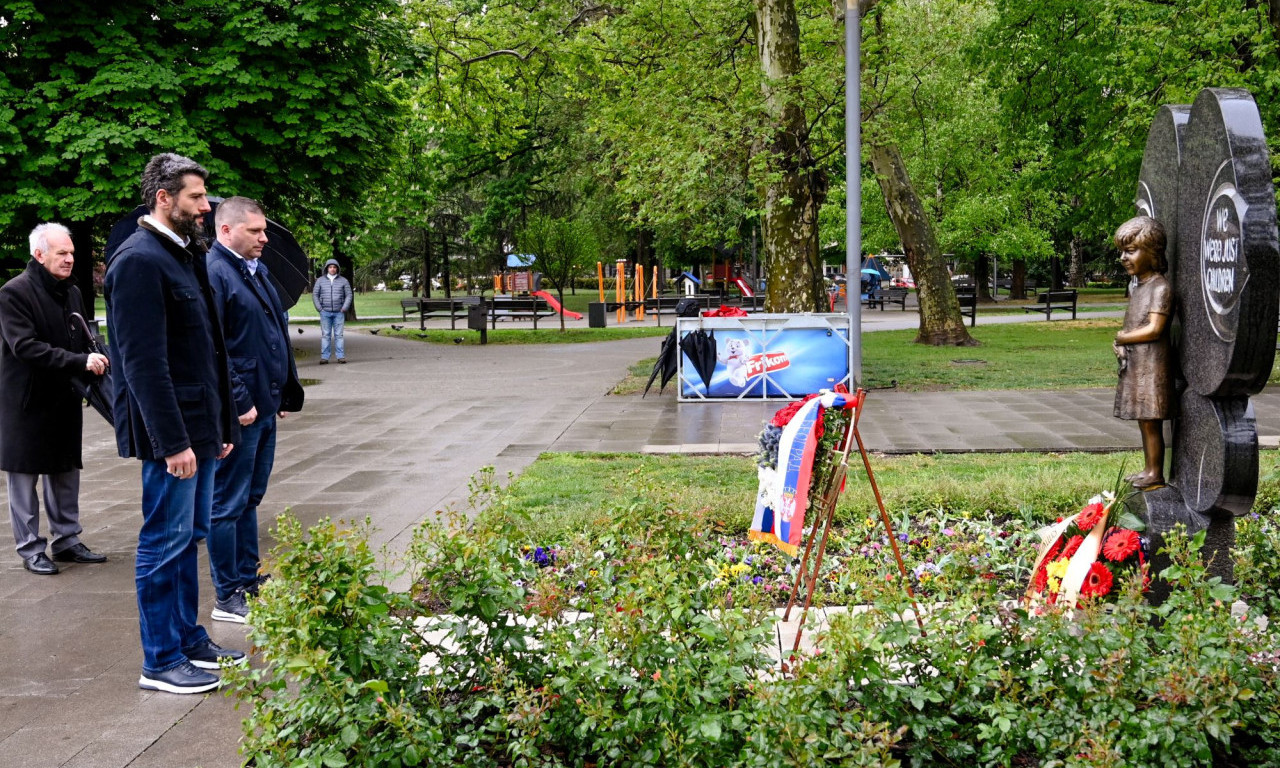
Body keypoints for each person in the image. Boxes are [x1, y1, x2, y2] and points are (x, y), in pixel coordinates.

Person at [105, 153, 244, 694]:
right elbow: (142, 365)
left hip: (201, 431)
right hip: (174, 438)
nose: (205, 206)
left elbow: (209, 352)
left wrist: (222, 428)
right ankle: (159, 660)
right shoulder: (138, 260)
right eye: (195, 197)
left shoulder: (185, 253)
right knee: (164, 541)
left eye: (205, 197)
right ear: (163, 198)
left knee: (191, 536)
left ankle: (187, 639)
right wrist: (174, 443)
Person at [205, 197, 303, 623]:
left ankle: (248, 577)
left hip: (264, 405)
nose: (264, 238)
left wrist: (279, 392)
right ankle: (227, 594)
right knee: (227, 503)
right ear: (226, 230)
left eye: (264, 230)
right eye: (255, 231)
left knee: (250, 497)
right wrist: (242, 401)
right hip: (239, 410)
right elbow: (217, 347)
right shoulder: (215, 272)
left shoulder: (254, 269)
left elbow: (271, 334)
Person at [0, 223, 111, 575]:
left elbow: (78, 337)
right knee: (23, 476)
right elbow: (25, 347)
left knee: (65, 470)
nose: (69, 259)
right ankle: (31, 549)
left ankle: (66, 540)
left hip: (64, 395)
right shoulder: (13, 292)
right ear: (39, 254)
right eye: (62, 253)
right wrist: (80, 362)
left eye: (71, 252)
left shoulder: (71, 291)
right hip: (25, 401)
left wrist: (91, 358)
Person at [1112, 215, 1172, 489]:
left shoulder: (1160, 288)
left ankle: (1155, 472)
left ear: (1152, 252)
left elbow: (1154, 329)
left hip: (1153, 364)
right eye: (1122, 252)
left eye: (1131, 250)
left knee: (1151, 420)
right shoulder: (1138, 286)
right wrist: (1122, 344)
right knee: (1143, 418)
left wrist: (1122, 336)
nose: (1124, 257)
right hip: (1138, 362)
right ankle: (1149, 467)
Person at [312, 259, 351, 363]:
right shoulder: (320, 280)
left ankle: (340, 356)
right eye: (330, 267)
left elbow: (349, 295)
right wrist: (319, 308)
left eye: (334, 267)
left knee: (339, 335)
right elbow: (315, 295)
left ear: (337, 268)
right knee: (325, 335)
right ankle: (325, 357)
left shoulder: (344, 281)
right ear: (327, 268)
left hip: (339, 312)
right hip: (325, 312)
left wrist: (344, 308)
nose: (332, 269)